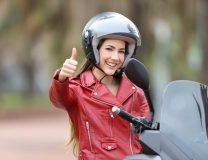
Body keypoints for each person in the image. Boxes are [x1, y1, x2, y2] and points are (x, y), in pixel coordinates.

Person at [49, 12, 150, 160]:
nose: (115, 57)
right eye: (109, 49)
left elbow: (149, 134)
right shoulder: (78, 89)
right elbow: (58, 99)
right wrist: (62, 77)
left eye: (121, 51)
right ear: (95, 50)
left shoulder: (136, 92)